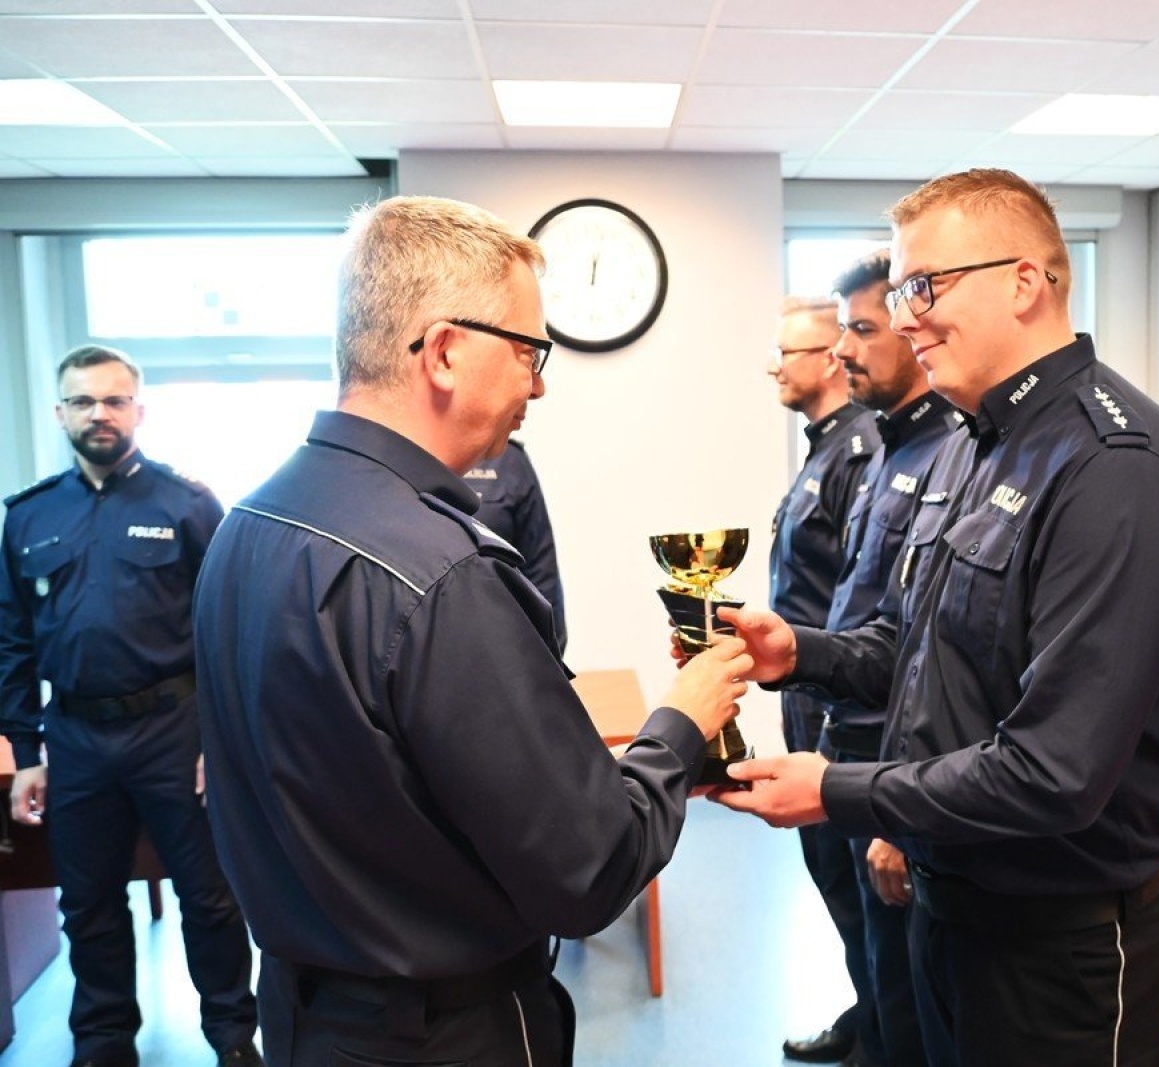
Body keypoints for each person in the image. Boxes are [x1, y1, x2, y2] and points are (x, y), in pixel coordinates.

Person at [191, 195, 751, 1067]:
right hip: (442, 1033)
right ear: (446, 350)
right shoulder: (443, 575)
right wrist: (682, 719)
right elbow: (591, 869)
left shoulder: (250, 523)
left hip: (305, 1019)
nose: (539, 383)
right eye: (529, 350)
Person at [714, 169, 1159, 1067]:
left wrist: (838, 790)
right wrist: (801, 653)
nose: (904, 317)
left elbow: (1055, 771)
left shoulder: (1118, 465)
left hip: (1058, 940)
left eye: (924, 286)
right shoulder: (970, 441)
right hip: (951, 906)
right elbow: (919, 650)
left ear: (1024, 282)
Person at [0, 345, 261, 1067]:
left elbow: (227, 630)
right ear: (60, 413)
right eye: (84, 401)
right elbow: (12, 640)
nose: (100, 413)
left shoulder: (188, 504)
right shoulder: (28, 516)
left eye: (114, 400)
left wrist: (220, 740)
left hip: (174, 730)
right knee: (88, 903)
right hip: (75, 736)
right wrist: (27, 754)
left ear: (138, 410)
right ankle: (103, 1040)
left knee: (208, 898)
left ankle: (233, 1037)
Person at [822, 249, 964, 1067]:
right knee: (876, 964)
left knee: (909, 994)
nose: (844, 349)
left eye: (863, 329)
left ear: (912, 334)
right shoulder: (887, 446)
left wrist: (901, 817)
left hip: (896, 760)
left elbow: (939, 658)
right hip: (853, 737)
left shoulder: (953, 450)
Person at [767, 296, 881, 1065]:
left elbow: (864, 600)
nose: (774, 366)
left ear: (831, 357)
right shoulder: (824, 447)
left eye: (788, 352)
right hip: (806, 693)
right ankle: (867, 1010)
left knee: (858, 878)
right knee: (833, 875)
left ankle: (881, 1031)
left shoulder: (862, 450)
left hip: (843, 701)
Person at [464, 436, 567, 653]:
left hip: (499, 648)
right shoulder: (404, 450)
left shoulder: (509, 459)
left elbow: (541, 575)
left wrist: (548, 659)